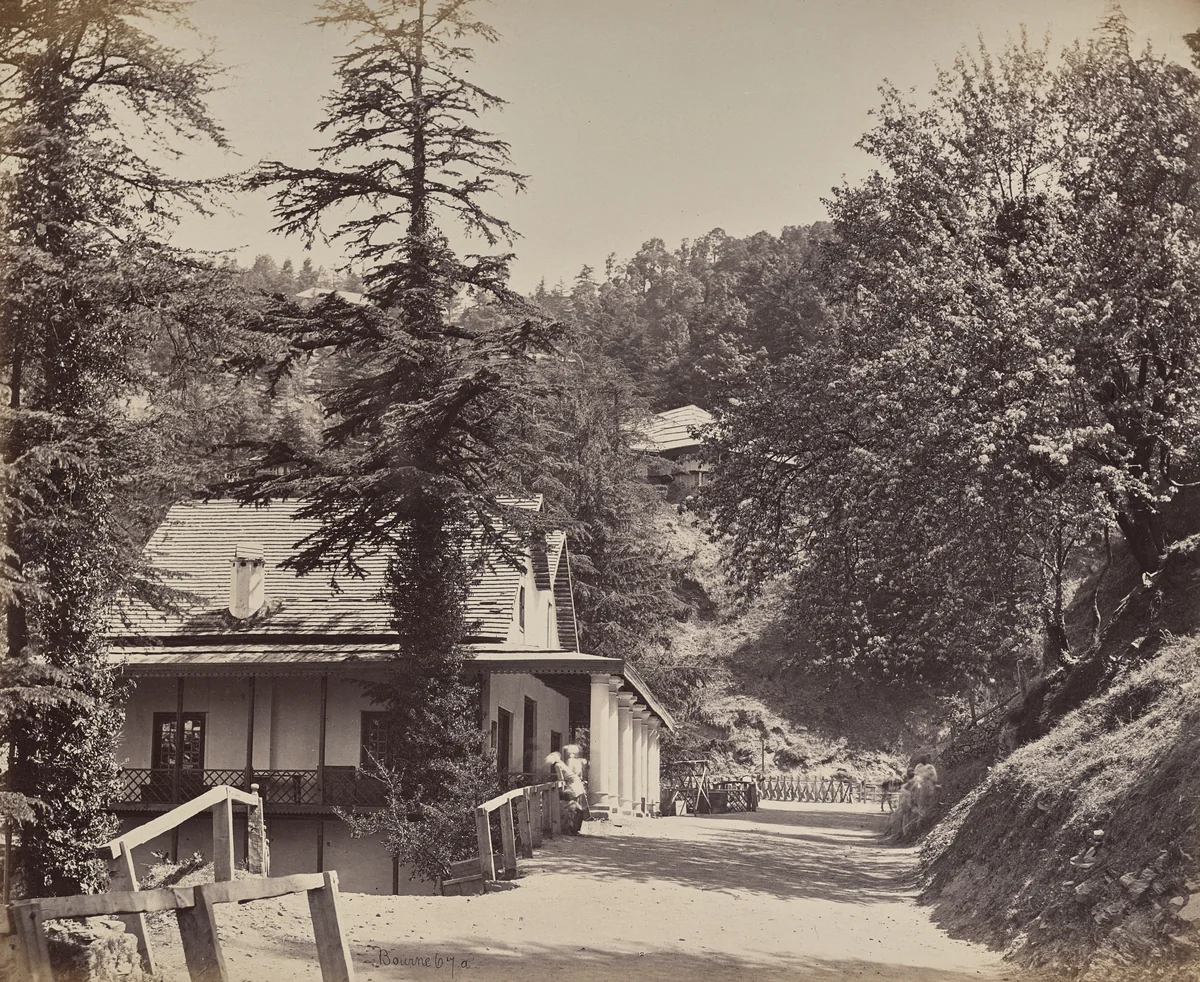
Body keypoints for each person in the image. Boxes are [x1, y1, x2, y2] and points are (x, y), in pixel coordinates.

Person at [561, 744, 590, 832]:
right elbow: (581, 774)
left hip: (572, 785)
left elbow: (568, 774)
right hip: (578, 785)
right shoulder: (579, 761)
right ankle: (576, 827)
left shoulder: (570, 761)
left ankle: (571, 827)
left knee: (572, 807)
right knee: (577, 806)